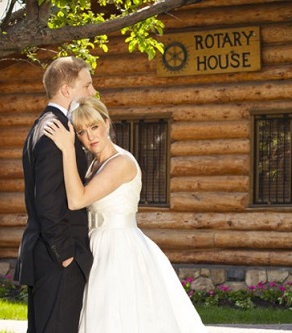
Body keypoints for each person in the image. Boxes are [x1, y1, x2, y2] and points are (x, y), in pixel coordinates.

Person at [43, 97, 208, 333]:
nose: (90, 136)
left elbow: (77, 199)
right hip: (97, 245)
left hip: (119, 248)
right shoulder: (94, 164)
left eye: (94, 127)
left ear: (107, 123)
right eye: (81, 132)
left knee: (119, 314)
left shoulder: (121, 162)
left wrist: (68, 149)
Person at [15, 56, 96, 333]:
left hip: (45, 255)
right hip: (57, 258)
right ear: (66, 90)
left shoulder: (43, 124)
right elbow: (48, 200)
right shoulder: (55, 130)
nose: (92, 92)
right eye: (87, 85)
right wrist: (65, 254)